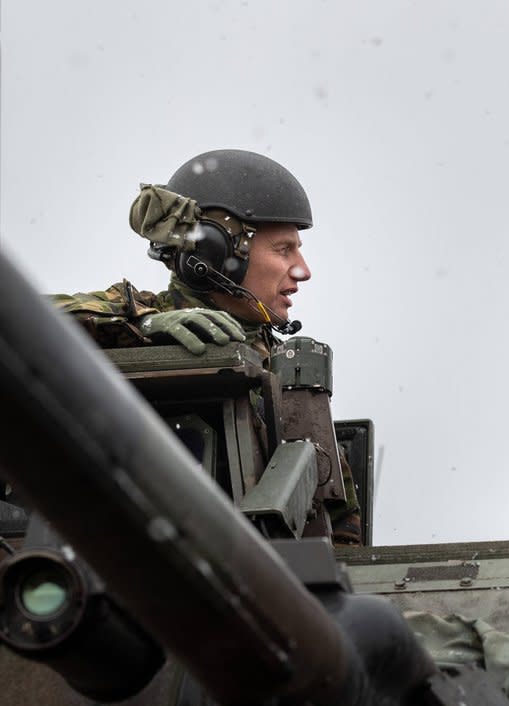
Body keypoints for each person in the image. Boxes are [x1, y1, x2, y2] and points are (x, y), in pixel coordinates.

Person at [51, 148, 362, 543]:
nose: (303, 270)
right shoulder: (129, 317)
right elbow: (24, 319)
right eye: (284, 250)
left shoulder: (290, 380)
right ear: (215, 254)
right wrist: (141, 327)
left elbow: (342, 543)